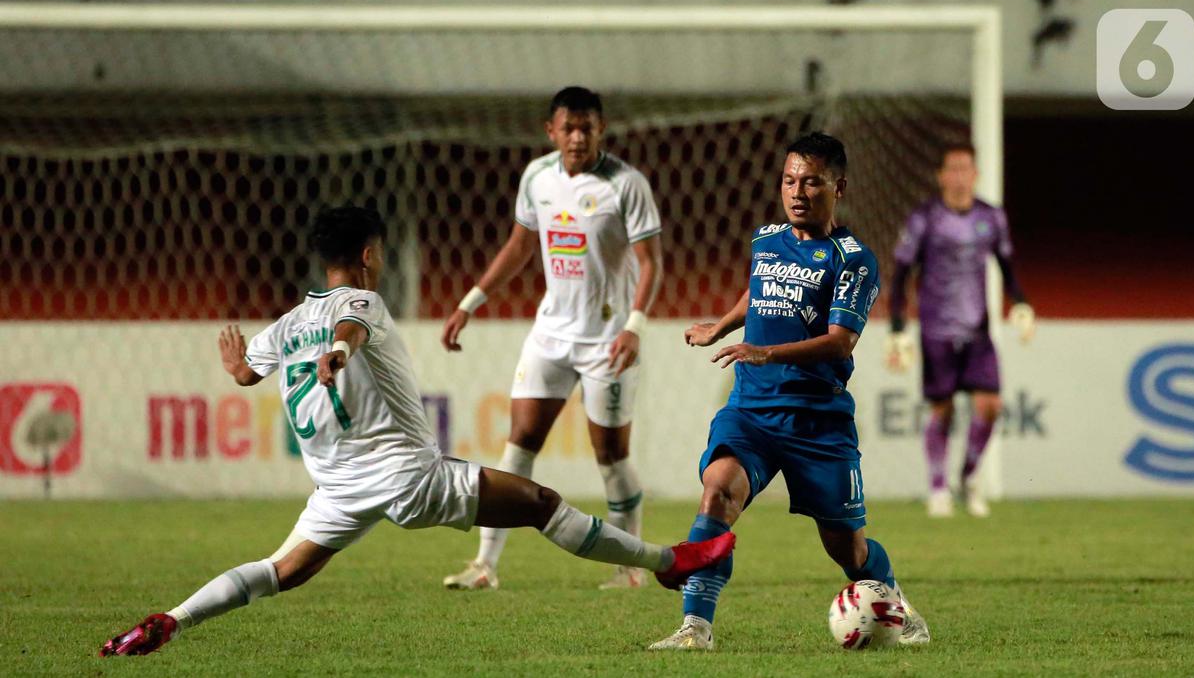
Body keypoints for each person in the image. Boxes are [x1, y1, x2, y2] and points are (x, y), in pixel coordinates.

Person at [99, 206, 732, 657]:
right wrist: (341, 355)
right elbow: (351, 328)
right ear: (370, 255)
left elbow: (246, 373)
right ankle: (667, 562)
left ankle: (171, 619)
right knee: (539, 503)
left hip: (338, 491)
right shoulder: (364, 301)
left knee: (281, 570)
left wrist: (239, 366)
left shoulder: (289, 322)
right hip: (407, 477)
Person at [648, 132, 928, 650]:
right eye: (789, 180)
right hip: (751, 410)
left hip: (816, 421)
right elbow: (759, 287)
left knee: (847, 549)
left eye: (812, 182)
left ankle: (896, 604)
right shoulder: (766, 239)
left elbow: (841, 343)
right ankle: (696, 627)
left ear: (837, 187)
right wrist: (724, 327)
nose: (797, 191)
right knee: (718, 491)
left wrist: (767, 353)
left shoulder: (854, 260)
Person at [441, 86, 664, 590]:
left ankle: (630, 570)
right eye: (569, 127)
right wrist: (469, 302)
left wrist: (634, 327)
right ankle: (485, 565)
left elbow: (652, 264)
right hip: (551, 334)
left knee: (610, 455)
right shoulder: (537, 177)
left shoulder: (626, 184)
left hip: (608, 339)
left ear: (601, 129)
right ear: (551, 131)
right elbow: (520, 246)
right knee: (519, 444)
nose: (578, 137)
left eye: (588, 127)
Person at [885, 143, 1034, 518]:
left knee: (991, 405)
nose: (958, 175)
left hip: (978, 329)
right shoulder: (925, 218)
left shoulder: (991, 217)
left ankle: (968, 476)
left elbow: (1006, 264)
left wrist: (1020, 302)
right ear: (941, 176)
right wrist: (899, 328)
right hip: (936, 329)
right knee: (943, 409)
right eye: (952, 169)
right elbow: (902, 274)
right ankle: (938, 488)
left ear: (975, 174)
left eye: (965, 168)